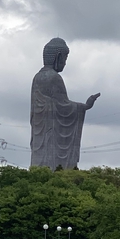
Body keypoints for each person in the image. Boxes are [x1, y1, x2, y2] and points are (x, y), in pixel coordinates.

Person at [30, 38, 100, 170]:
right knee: (53, 167)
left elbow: (57, 104)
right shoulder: (54, 77)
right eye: (65, 58)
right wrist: (84, 106)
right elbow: (63, 107)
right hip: (51, 134)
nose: (65, 63)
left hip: (39, 135)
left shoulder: (37, 77)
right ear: (58, 57)